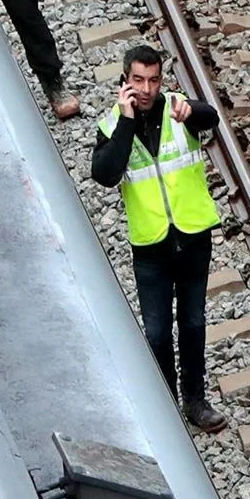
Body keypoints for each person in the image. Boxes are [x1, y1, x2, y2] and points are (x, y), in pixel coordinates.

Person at [89, 45, 228, 432]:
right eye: (138, 80)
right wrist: (127, 121)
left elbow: (210, 116)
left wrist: (192, 111)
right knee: (156, 331)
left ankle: (195, 399)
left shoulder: (178, 110)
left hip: (193, 235)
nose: (147, 88)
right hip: (151, 244)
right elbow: (105, 173)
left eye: (153, 80)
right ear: (125, 81)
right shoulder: (114, 124)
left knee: (194, 321)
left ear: (161, 80)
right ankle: (167, 402)